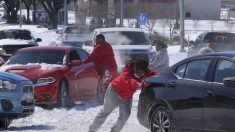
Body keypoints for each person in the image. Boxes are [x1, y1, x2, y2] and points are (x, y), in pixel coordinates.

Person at [88, 58, 159, 132]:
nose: (140, 74)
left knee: (125, 115)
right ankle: (91, 130)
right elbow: (127, 80)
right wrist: (137, 84)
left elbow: (155, 74)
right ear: (135, 67)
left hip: (127, 96)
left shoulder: (146, 72)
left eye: (142, 73)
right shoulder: (127, 70)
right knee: (105, 112)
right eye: (138, 72)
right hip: (114, 92)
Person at [83, 34, 117, 103]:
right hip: (113, 68)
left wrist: (83, 62)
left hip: (107, 69)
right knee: (108, 85)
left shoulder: (100, 47)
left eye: (97, 39)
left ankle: (104, 101)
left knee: (104, 85)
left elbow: (91, 57)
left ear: (101, 39)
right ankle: (108, 99)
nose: (95, 40)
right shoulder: (108, 45)